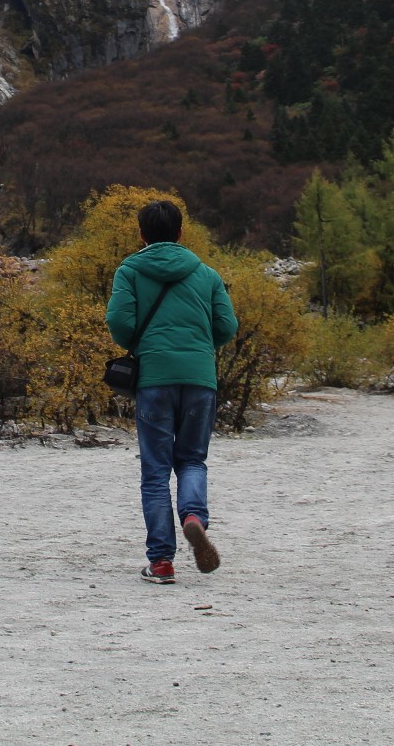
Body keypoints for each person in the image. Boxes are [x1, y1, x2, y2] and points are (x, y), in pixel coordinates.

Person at [105, 199, 238, 584]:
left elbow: (119, 321)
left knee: (155, 471)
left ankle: (161, 562)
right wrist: (198, 345)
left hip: (154, 380)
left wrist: (140, 344)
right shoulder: (206, 274)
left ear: (141, 234)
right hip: (199, 378)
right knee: (193, 460)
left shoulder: (130, 270)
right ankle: (194, 517)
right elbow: (226, 326)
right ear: (181, 233)